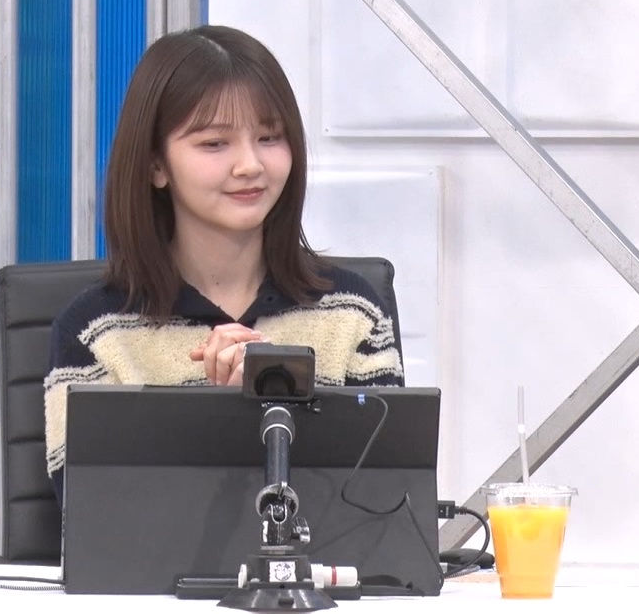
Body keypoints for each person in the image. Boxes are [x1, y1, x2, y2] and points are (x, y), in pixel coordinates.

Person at [43, 25, 404, 505]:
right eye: (215, 144)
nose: (250, 165)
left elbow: (385, 501)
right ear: (156, 165)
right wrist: (224, 415)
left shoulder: (353, 312)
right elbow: (94, 515)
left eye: (269, 137)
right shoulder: (95, 331)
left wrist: (277, 396)